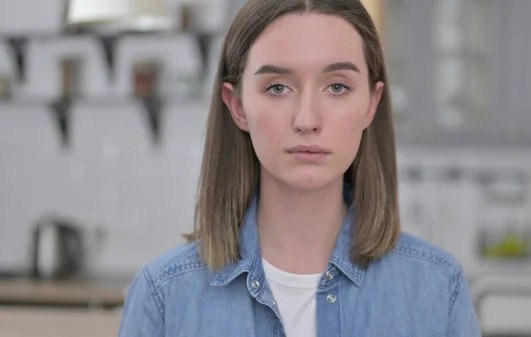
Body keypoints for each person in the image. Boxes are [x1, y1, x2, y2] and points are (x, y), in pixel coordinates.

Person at [118, 0, 481, 336]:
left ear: (371, 104)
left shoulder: (438, 289)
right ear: (238, 106)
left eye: (337, 86)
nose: (307, 119)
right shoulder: (162, 295)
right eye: (277, 87)